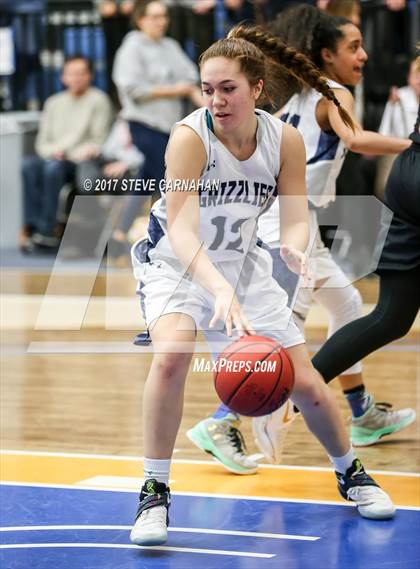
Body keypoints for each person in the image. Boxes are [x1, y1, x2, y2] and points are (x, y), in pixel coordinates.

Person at [129, 24, 395, 548]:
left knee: (303, 380)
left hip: (243, 264)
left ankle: (351, 473)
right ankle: (154, 491)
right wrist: (217, 289)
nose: (216, 99)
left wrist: (294, 246)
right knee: (173, 354)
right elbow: (182, 230)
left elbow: (295, 215)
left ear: (257, 89)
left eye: (227, 88)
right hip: (175, 264)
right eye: (207, 89)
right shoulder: (190, 137)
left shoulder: (284, 139)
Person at [187, 6, 415, 473]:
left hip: (295, 218)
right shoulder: (333, 93)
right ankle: (221, 419)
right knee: (279, 330)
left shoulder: (299, 95)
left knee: (349, 306)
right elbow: (357, 142)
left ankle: (361, 413)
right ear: (327, 54)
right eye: (353, 47)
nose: (363, 55)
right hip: (286, 224)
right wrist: (414, 147)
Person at [20, 55, 113, 252]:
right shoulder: (53, 103)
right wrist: (55, 152)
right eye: (72, 73)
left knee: (53, 169)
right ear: (63, 77)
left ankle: (47, 230)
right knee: (28, 166)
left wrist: (67, 153)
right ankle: (33, 226)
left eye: (81, 73)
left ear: (90, 76)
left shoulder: (99, 100)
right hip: (54, 156)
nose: (76, 78)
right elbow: (42, 143)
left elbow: (98, 140)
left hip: (80, 160)